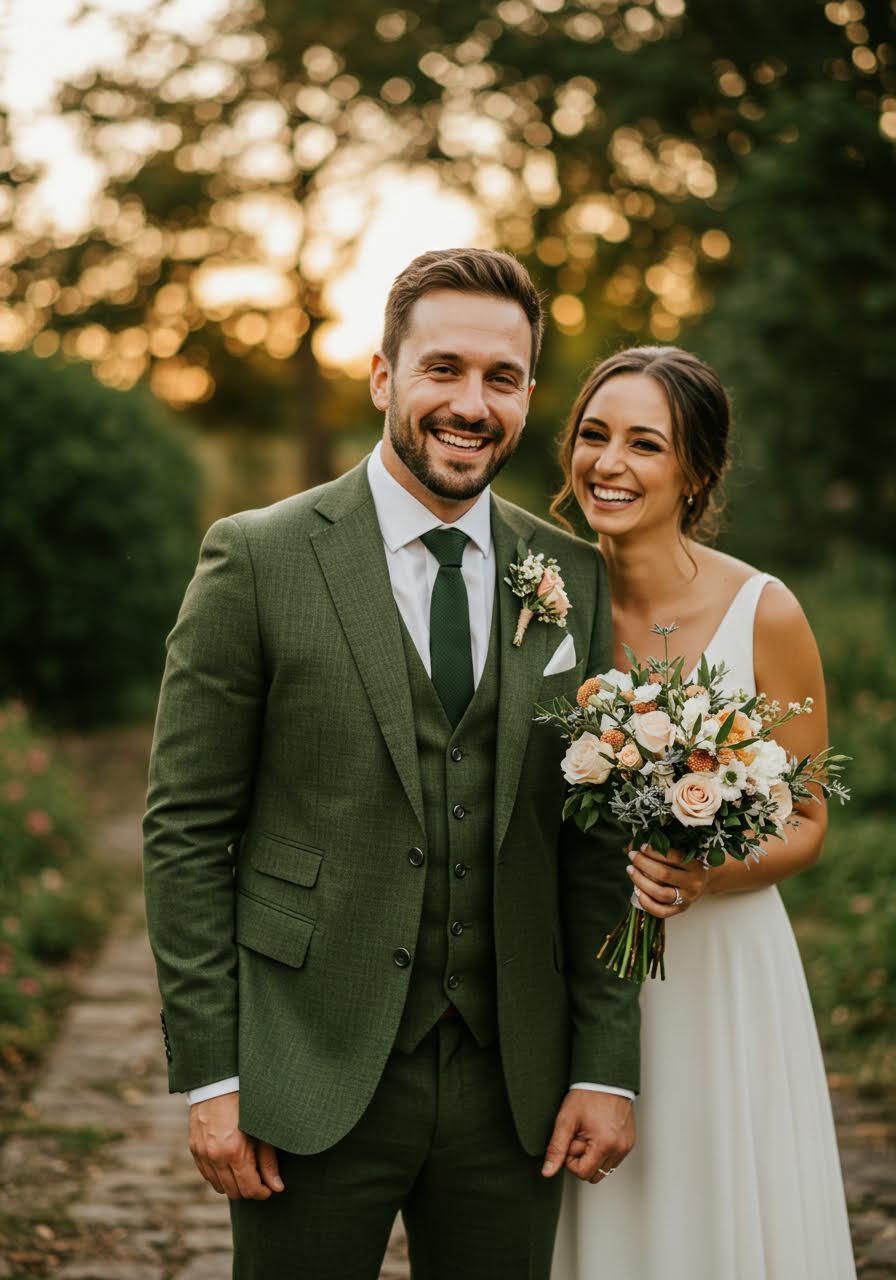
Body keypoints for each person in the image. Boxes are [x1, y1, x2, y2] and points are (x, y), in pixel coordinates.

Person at [143, 248, 641, 1280]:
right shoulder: (256, 557)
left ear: (526, 395)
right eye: (442, 368)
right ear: (382, 376)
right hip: (304, 1068)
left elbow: (598, 849)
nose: (470, 403)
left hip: (516, 1089)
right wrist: (211, 1075)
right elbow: (185, 831)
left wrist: (607, 1066)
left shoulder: (574, 576)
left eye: (500, 378)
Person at [549, 346, 856, 1280]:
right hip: (573, 958)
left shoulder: (765, 612)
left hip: (721, 968)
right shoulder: (540, 600)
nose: (610, 464)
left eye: (646, 443)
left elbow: (805, 819)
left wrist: (709, 869)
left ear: (697, 471)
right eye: (594, 436)